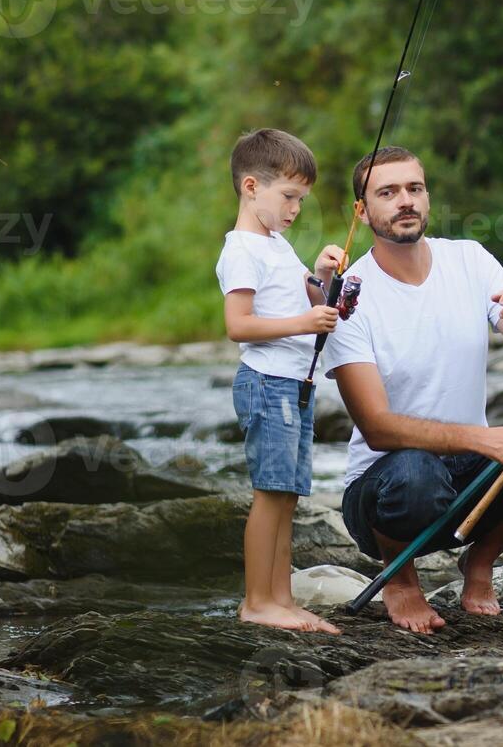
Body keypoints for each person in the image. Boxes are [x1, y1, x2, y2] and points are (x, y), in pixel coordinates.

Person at [323, 145, 503, 634]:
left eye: (415, 188)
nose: (405, 201)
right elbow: (378, 428)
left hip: (471, 480)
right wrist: (484, 438)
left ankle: (480, 560)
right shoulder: (349, 293)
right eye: (387, 192)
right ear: (362, 212)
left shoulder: (469, 259)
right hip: (384, 491)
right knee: (416, 473)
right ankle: (401, 579)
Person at [216, 128, 345, 634]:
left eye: (301, 199)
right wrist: (304, 324)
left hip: (295, 384)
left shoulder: (276, 244)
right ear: (252, 187)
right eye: (288, 197)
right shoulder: (242, 251)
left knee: (288, 494)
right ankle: (256, 601)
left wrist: (322, 272)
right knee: (270, 493)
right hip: (267, 383)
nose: (295, 209)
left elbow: (306, 296)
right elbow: (238, 326)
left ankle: (282, 599)